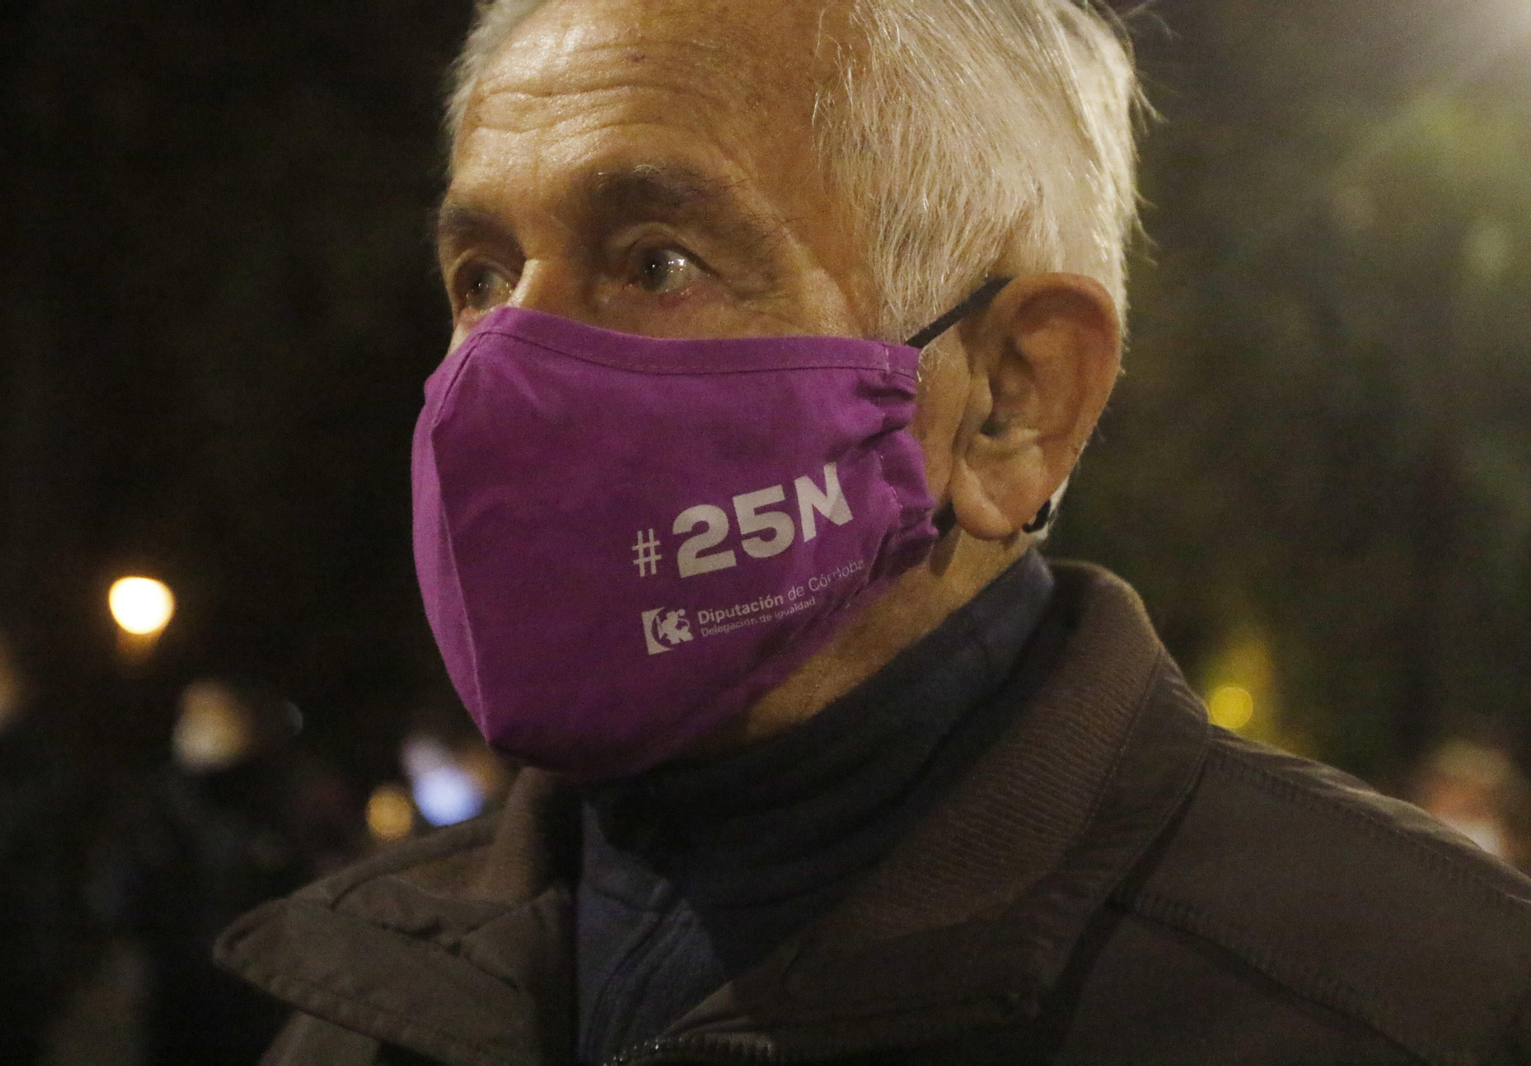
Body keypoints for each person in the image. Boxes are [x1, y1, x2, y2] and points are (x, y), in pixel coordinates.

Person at [215, 1, 1531, 1063]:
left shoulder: (1425, 1003)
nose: (503, 365)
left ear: (1013, 399)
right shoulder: (369, 995)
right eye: (483, 278)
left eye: (658, 259)